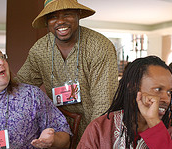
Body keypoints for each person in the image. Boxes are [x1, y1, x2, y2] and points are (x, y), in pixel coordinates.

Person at [15, 0, 118, 141]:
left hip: (95, 127)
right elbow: (20, 86)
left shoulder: (99, 46)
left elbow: (103, 103)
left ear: (78, 14)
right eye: (53, 16)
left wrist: (91, 141)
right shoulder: (40, 49)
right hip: (58, 130)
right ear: (46, 21)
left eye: (67, 14)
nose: (60, 21)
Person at [74, 56, 172, 149]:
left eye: (169, 92)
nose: (166, 99)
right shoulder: (100, 128)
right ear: (133, 87)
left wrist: (154, 122)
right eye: (158, 89)